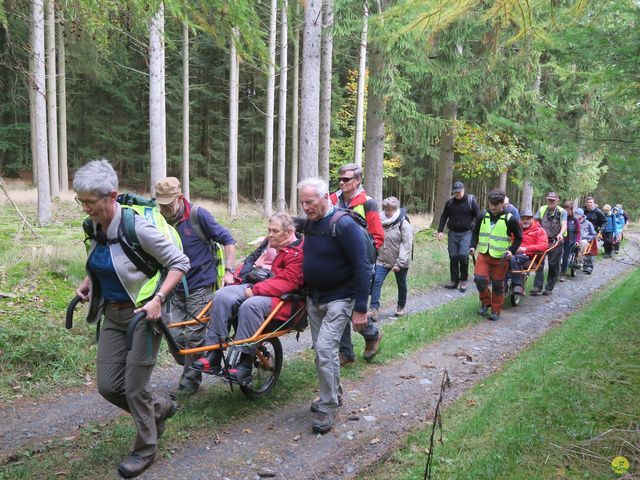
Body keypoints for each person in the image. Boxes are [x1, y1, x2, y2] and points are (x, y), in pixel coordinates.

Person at [73, 160, 190, 479]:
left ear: (111, 196)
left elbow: (180, 263)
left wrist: (158, 299)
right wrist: (89, 280)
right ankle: (161, 408)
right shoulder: (96, 224)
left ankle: (145, 449)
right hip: (111, 314)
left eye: (90, 202)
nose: (85, 208)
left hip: (144, 315)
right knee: (109, 386)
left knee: (135, 388)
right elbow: (104, 258)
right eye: (80, 201)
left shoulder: (138, 227)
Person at [191, 213, 303, 384]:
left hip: (286, 299)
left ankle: (244, 363)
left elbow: (288, 282)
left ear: (288, 232)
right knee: (221, 295)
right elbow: (251, 264)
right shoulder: (273, 244)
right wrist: (235, 277)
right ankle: (214, 354)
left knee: (251, 305)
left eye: (275, 231)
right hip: (263, 286)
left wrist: (256, 290)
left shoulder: (298, 252)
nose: (270, 234)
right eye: (269, 230)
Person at [299, 178, 370, 434]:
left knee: (325, 350)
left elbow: (362, 267)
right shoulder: (311, 223)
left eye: (310, 202)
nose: (305, 207)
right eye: (302, 203)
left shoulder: (344, 224)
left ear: (325, 197)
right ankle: (334, 395)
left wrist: (360, 308)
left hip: (339, 299)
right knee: (323, 353)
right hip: (315, 298)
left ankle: (328, 406)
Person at [154, 177, 237, 395]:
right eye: (161, 204)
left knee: (193, 336)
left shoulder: (198, 215)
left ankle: (190, 382)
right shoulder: (158, 219)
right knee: (173, 335)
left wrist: (229, 272)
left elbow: (228, 240)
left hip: (200, 284)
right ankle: (195, 361)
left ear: (180, 198)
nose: (164, 208)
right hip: (174, 288)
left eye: (168, 203)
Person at [329, 163, 383, 365]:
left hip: (358, 264)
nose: (342, 182)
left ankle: (372, 334)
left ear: (358, 180)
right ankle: (346, 353)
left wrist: (364, 260)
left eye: (347, 179)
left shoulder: (368, 203)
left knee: (350, 307)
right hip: (334, 262)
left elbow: (377, 236)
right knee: (337, 305)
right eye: (340, 179)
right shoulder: (332, 200)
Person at [470, 189, 522, 321]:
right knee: (479, 279)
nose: (493, 207)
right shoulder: (482, 216)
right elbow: (475, 233)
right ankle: (486, 303)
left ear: (502, 204)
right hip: (484, 255)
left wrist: (512, 250)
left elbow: (519, 237)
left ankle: (496, 310)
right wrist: (472, 246)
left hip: (501, 257)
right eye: (491, 204)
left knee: (498, 284)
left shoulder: (510, 219)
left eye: (496, 204)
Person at [369, 197, 413, 318]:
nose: (388, 212)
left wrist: (399, 263)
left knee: (401, 283)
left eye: (391, 209)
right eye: (386, 209)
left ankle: (401, 306)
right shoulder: (379, 221)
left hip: (399, 260)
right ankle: (374, 309)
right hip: (382, 259)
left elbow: (406, 245)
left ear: (396, 209)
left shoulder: (403, 223)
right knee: (376, 282)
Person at [437, 181, 481, 292]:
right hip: (453, 233)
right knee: (453, 256)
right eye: (455, 192)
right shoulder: (450, 202)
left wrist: (477, 234)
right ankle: (454, 280)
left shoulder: (471, 202)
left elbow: (479, 217)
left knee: (463, 255)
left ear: (463, 190)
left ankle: (463, 280)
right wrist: (440, 231)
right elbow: (443, 217)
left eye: (459, 192)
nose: (457, 194)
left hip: (467, 233)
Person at [531, 192, 567, 296]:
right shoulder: (542, 209)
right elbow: (535, 223)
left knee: (553, 264)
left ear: (557, 201)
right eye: (549, 200)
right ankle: (537, 286)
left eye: (553, 200)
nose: (551, 202)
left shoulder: (562, 211)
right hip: (542, 241)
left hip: (556, 242)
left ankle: (549, 287)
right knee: (539, 263)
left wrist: (560, 234)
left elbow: (564, 225)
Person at [509, 209, 548, 295]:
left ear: (532, 219)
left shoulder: (539, 231)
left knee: (512, 259)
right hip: (513, 253)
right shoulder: (516, 229)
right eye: (523, 219)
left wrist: (525, 249)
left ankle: (517, 285)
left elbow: (543, 246)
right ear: (520, 219)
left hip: (528, 256)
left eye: (528, 218)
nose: (525, 221)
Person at [559, 200, 581, 281]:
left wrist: (577, 241)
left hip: (570, 241)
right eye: (564, 210)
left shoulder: (575, 220)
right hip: (560, 240)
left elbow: (578, 232)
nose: (566, 212)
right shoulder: (560, 218)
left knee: (565, 257)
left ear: (571, 210)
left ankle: (562, 274)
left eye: (567, 210)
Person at [575, 208, 596, 274]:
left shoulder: (588, 223)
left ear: (581, 215)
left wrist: (588, 238)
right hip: (574, 239)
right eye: (575, 214)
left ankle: (579, 262)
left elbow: (593, 234)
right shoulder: (573, 222)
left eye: (577, 214)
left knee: (583, 243)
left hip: (584, 240)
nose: (576, 216)